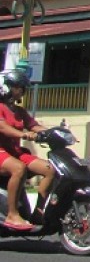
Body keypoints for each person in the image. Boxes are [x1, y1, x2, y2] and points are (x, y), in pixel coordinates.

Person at [0, 68, 55, 231]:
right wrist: (25, 135)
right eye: (17, 87)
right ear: (6, 87)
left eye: (22, 87)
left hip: (15, 151)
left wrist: (53, 133)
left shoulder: (19, 111)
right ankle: (12, 214)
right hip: (1, 151)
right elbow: (3, 128)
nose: (21, 91)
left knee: (50, 169)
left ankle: (38, 213)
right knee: (19, 168)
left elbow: (34, 126)